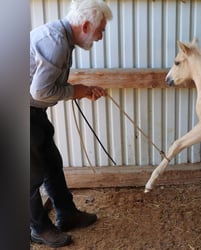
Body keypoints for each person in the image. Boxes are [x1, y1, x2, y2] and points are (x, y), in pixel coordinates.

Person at [30, 0, 113, 247]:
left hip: (33, 110)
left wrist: (80, 90)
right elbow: (40, 92)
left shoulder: (63, 39)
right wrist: (76, 91)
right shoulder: (56, 43)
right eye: (101, 30)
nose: (100, 37)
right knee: (30, 173)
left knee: (51, 162)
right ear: (86, 26)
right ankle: (38, 228)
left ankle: (66, 214)